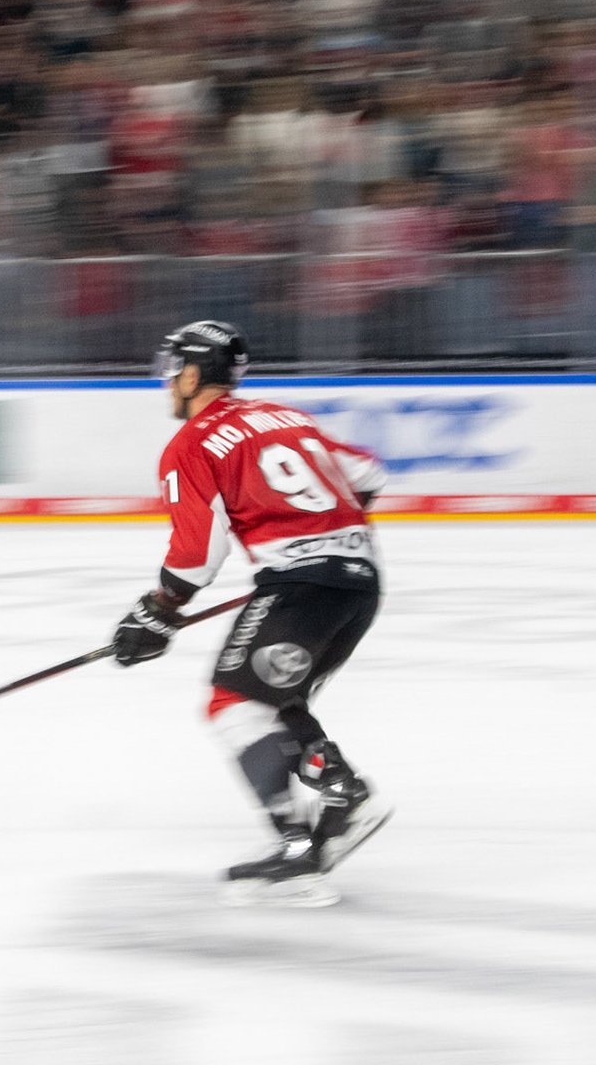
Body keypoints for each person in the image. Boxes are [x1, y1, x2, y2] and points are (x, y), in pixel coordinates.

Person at [111, 320, 392, 907]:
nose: (168, 383)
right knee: (272, 701)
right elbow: (368, 474)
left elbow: (196, 555)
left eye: (173, 372)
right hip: (360, 583)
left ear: (192, 375)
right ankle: (343, 795)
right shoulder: (286, 417)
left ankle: (299, 843)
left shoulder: (190, 445)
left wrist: (157, 610)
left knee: (233, 706)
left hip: (302, 586)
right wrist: (324, 538)